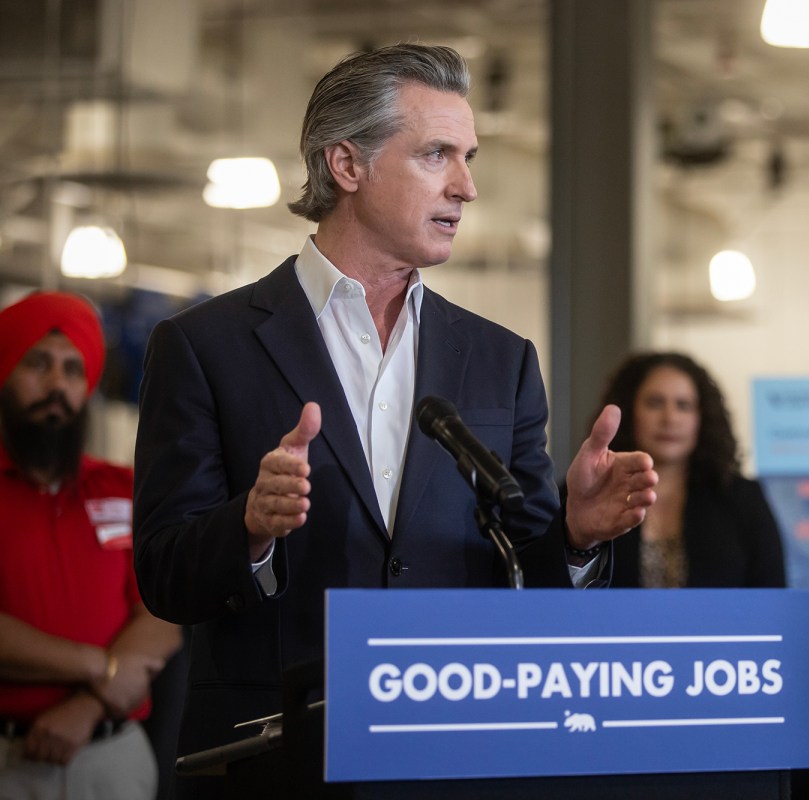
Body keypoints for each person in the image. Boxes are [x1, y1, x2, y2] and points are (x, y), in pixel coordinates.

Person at [131, 43, 657, 792]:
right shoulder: (202, 346)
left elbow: (527, 583)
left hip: (450, 759)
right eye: (437, 154)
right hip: (271, 763)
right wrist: (248, 525)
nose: (467, 187)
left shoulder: (498, 358)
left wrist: (576, 532)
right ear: (347, 166)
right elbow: (163, 574)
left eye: (468, 156)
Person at [0, 291, 181, 799]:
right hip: (11, 758)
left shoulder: (122, 487)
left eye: (73, 370)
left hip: (113, 755)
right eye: (38, 364)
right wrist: (101, 669)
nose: (57, 384)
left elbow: (162, 608)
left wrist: (91, 703)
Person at [591, 352, 785, 588]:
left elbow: (773, 596)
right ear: (629, 411)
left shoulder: (743, 498)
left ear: (702, 417)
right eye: (655, 403)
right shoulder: (590, 494)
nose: (670, 418)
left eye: (683, 405)